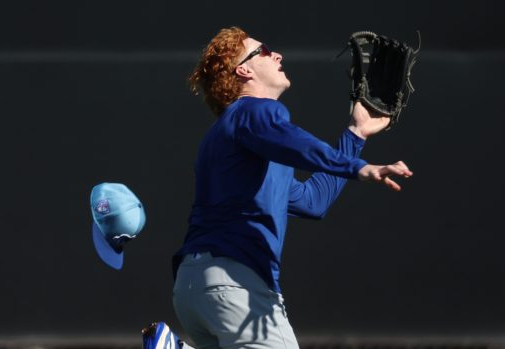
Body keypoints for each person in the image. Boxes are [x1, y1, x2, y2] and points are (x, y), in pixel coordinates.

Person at [170, 26, 413, 349]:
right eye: (265, 50)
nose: (277, 54)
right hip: (235, 281)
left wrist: (356, 135)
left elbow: (312, 202)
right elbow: (294, 142)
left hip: (193, 287)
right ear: (243, 70)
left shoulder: (229, 139)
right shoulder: (255, 111)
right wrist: (359, 168)